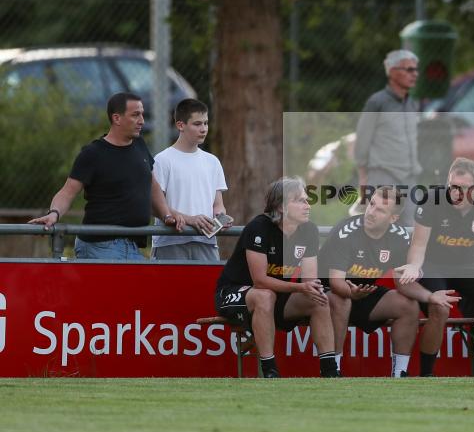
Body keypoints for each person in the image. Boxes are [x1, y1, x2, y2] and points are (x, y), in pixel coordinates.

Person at [398, 157, 474, 377]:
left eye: (463, 188)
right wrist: (414, 266)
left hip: (468, 266)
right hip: (434, 265)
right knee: (440, 307)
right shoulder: (432, 199)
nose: (456, 193)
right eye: (452, 187)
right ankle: (426, 376)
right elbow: (418, 244)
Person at [320, 186, 459, 377]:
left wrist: (430, 296)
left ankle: (399, 373)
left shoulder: (400, 237)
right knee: (341, 300)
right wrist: (351, 293)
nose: (370, 212)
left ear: (393, 218)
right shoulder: (346, 231)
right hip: (329, 292)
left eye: (380, 210)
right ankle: (332, 370)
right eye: (371, 204)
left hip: (363, 291)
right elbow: (336, 283)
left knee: (407, 304)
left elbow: (403, 281)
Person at [28, 92, 184, 260]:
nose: (142, 121)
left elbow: (152, 185)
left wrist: (167, 215)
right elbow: (67, 192)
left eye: (142, 114)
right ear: (116, 118)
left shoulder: (139, 144)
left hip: (132, 245)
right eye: (135, 115)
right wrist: (54, 214)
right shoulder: (93, 153)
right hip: (100, 245)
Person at [214, 176, 338, 378]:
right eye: (300, 200)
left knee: (318, 297)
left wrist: (312, 288)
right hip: (235, 292)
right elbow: (259, 281)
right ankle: (270, 371)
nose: (307, 205)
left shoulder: (309, 230)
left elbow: (309, 280)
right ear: (281, 206)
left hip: (276, 293)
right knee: (264, 295)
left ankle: (330, 371)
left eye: (307, 200)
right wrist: (299, 288)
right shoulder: (258, 227)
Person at [151, 99, 229, 261]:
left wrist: (220, 219)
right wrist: (190, 220)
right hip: (170, 242)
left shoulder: (212, 161)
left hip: (206, 241)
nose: (204, 129)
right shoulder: (162, 160)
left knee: (208, 286)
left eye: (206, 123)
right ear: (180, 125)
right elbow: (156, 205)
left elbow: (217, 204)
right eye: (197, 124)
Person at [354, 49, 421, 225]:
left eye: (415, 69)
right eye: (408, 69)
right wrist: (363, 179)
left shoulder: (411, 103)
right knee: (379, 227)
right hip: (383, 175)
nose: (414, 74)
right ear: (391, 71)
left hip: (409, 177)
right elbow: (362, 140)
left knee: (411, 228)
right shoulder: (377, 102)